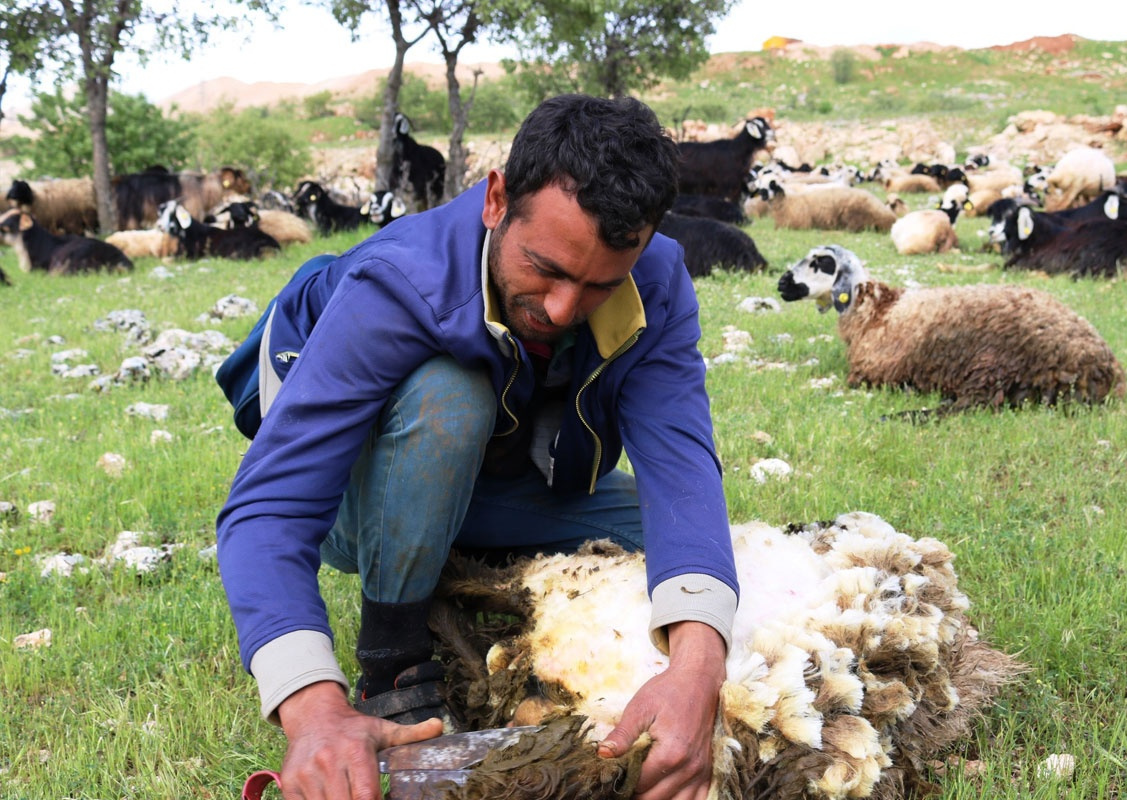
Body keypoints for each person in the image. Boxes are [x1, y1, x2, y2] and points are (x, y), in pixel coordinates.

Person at [215, 93, 739, 800]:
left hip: (502, 485)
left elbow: (681, 465)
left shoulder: (659, 278)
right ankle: (394, 662)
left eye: (598, 286)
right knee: (448, 394)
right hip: (359, 501)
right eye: (546, 268)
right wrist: (312, 709)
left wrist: (697, 671)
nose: (561, 309)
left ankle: (458, 560)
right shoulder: (396, 283)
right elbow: (270, 510)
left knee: (685, 547)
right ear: (496, 199)